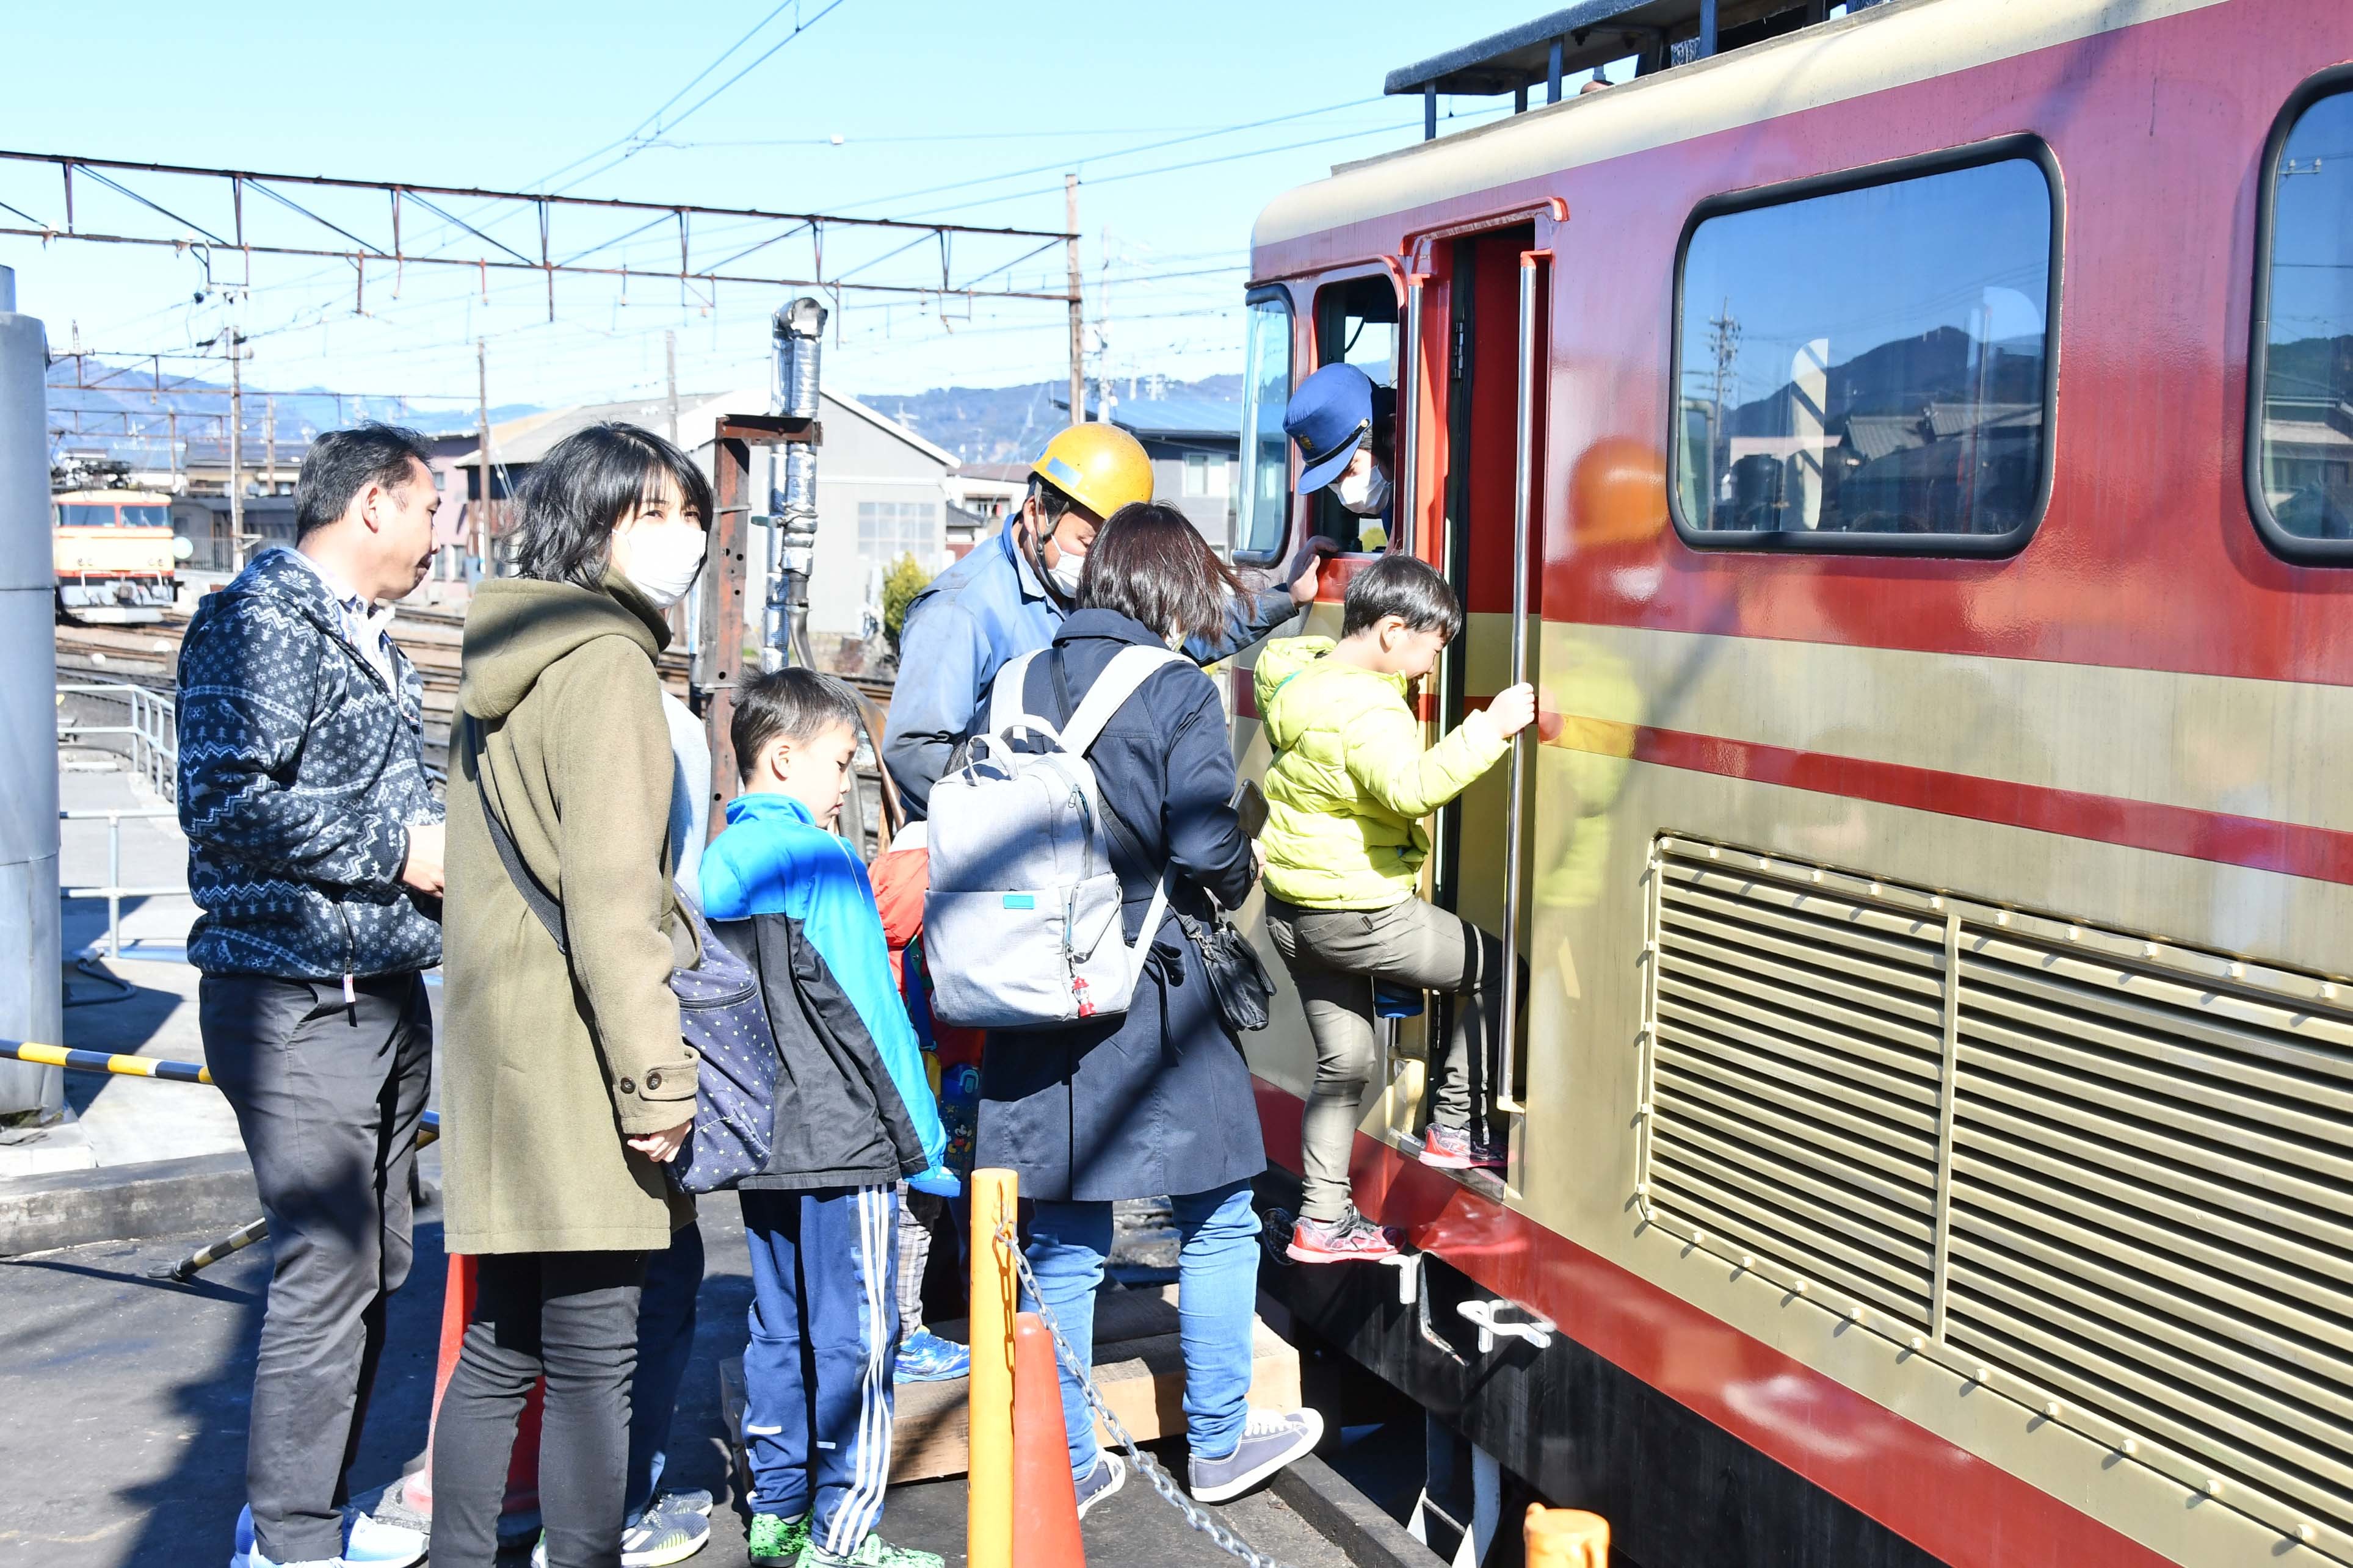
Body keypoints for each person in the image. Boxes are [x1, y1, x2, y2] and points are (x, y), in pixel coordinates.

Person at [977, 502, 1325, 1514]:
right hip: (1142, 984)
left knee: (1065, 1229)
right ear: (1170, 589)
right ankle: (1217, 1440)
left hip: (1022, 984)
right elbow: (1204, 840)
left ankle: (1068, 1453)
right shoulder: (1173, 687)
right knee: (1218, 1208)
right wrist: (1241, 864)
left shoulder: (1009, 683)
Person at [433, 423, 709, 1568]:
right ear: (592, 521)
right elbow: (610, 899)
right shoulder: (605, 668)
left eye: (691, 513)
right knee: (595, 1353)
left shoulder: (502, 661)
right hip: (586, 1059)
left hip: (503, 1049)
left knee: (501, 1347)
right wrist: (655, 1079)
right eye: (652, 512)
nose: (683, 536)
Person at [179, 424, 444, 1568]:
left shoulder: (376, 640)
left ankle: (307, 1514)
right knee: (329, 1262)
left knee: (378, 1259)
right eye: (433, 508)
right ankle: (288, 1542)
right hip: (296, 994)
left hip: (377, 989)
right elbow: (224, 799)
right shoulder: (258, 622)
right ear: (375, 504)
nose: (444, 536)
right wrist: (396, 848)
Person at [698, 668, 954, 1568]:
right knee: (861, 1340)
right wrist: (923, 1147)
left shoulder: (717, 864)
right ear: (781, 756)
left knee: (777, 1327)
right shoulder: (825, 863)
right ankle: (844, 1538)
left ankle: (776, 1515)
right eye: (838, 763)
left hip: (760, 1141)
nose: (845, 785)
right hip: (847, 1145)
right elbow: (874, 1016)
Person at [1252, 554, 1537, 1262]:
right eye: (1429, 647)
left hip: (1294, 914)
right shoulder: (1369, 706)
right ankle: (1455, 1124)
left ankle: (1320, 1222)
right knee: (1499, 972)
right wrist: (1491, 727)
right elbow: (1410, 789)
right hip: (1359, 914)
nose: (1429, 666)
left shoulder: (1298, 678)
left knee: (1342, 1065)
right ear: (1389, 631)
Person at [883, 421, 1329, 818]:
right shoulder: (961, 610)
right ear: (1038, 513)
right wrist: (1004, 818)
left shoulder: (1091, 587)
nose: (1098, 561)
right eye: (1087, 541)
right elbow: (914, 751)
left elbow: (1184, 636)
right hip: (986, 857)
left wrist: (1285, 597)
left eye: (1109, 548)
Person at [1283, 363, 1395, 542]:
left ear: (1392, 434)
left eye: (1350, 469)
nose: (1345, 490)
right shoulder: (1393, 503)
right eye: (1333, 480)